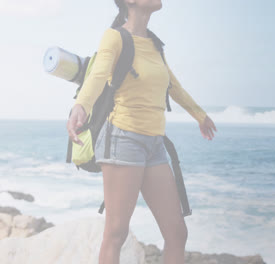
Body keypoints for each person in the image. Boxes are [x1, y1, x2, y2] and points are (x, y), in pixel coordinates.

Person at [66, 0, 217, 263]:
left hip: (154, 145)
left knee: (176, 233)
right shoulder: (114, 37)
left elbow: (172, 85)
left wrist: (200, 115)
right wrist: (81, 106)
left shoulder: (154, 43)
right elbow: (98, 76)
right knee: (116, 233)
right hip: (123, 139)